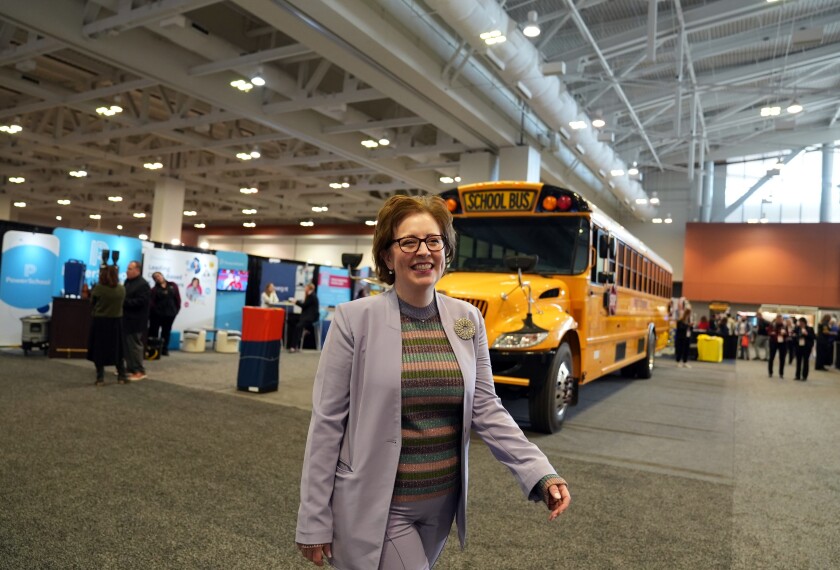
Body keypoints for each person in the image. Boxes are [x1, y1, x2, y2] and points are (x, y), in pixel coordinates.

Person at [295, 195, 570, 569]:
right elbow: (327, 424)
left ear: (446, 250)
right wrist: (313, 519)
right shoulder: (353, 321)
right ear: (389, 257)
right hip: (380, 504)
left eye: (433, 240)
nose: (423, 251)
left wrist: (539, 472)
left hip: (442, 507)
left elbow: (487, 407)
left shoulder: (467, 319)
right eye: (409, 242)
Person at [87, 265, 127, 385]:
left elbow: (92, 302)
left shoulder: (99, 288)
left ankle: (100, 378)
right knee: (117, 349)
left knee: (99, 349)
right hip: (117, 322)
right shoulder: (122, 289)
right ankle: (121, 376)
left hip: (100, 322)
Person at [123, 260, 151, 381]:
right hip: (126, 318)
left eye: (130, 269)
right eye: (127, 268)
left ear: (137, 271)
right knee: (127, 345)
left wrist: (124, 302)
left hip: (137, 320)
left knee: (135, 345)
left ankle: (140, 370)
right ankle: (130, 368)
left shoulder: (143, 284)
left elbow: (142, 302)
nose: (127, 271)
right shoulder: (127, 282)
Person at [149, 271, 181, 356]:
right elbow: (151, 302)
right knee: (154, 332)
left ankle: (164, 349)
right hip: (157, 315)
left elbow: (177, 299)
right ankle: (155, 349)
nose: (158, 278)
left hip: (170, 314)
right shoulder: (154, 290)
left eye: (158, 276)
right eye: (155, 277)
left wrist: (176, 310)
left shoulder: (173, 286)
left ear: (162, 276)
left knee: (166, 332)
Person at [288, 283, 319, 352]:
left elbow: (303, 305)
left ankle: (293, 346)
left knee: (298, 326)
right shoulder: (310, 296)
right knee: (292, 320)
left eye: (306, 287)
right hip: (306, 316)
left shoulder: (312, 296)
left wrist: (295, 302)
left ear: (309, 288)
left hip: (310, 318)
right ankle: (302, 333)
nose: (305, 289)